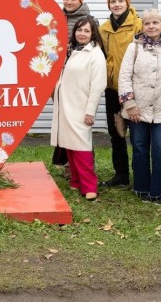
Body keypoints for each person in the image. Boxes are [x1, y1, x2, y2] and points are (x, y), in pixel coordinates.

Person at [119, 9, 161, 204]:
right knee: (139, 147)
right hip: (137, 108)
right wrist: (130, 104)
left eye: (155, 23)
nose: (151, 26)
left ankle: (157, 191)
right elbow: (124, 76)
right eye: (147, 23)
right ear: (143, 26)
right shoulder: (134, 48)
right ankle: (141, 186)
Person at [51, 16, 107, 201]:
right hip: (66, 104)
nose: (82, 34)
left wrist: (90, 110)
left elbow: (98, 85)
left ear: (93, 34)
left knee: (82, 146)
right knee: (69, 145)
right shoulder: (71, 50)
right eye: (79, 30)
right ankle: (76, 181)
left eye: (86, 31)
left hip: (80, 106)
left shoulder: (95, 54)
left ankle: (90, 186)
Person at [99, 0, 143, 188]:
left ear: (127, 3)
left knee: (137, 134)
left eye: (120, 1)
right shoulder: (104, 28)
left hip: (134, 88)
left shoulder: (138, 24)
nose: (116, 4)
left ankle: (140, 174)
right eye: (113, 2)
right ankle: (121, 174)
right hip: (112, 88)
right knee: (116, 133)